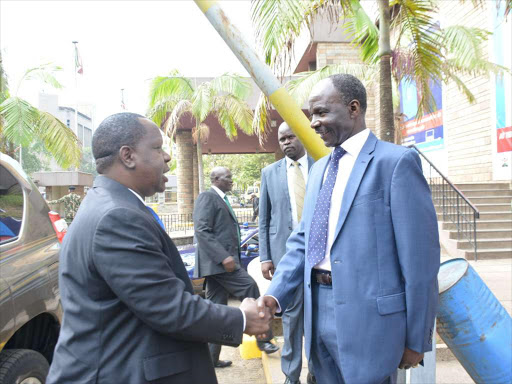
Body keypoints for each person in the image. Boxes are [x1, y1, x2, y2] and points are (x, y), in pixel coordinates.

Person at [46, 113, 272, 384]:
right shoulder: (117, 217)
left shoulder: (111, 205)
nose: (167, 157)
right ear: (128, 156)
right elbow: (167, 307)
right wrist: (242, 319)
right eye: (157, 148)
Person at [257, 74, 440, 384]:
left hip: (371, 323)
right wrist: (274, 296)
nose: (313, 123)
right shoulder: (319, 170)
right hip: (317, 312)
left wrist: (417, 338)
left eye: (321, 112)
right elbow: (303, 242)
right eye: (311, 114)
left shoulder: (395, 163)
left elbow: (420, 263)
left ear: (354, 108)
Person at [193, 167, 279, 368]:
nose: (232, 180)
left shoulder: (222, 198)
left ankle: (211, 359)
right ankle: (264, 339)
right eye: (228, 177)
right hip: (220, 264)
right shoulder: (207, 196)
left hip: (219, 267)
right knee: (250, 288)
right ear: (215, 179)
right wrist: (224, 257)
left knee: (218, 312)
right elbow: (202, 230)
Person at [259, 122, 316, 384]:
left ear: (303, 137)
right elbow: (264, 217)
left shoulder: (322, 164)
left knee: (319, 317)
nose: (285, 143)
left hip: (320, 257)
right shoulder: (270, 173)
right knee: (292, 319)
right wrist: (265, 256)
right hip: (286, 259)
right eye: (282, 139)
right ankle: (290, 377)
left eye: (291, 137)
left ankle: (316, 372)